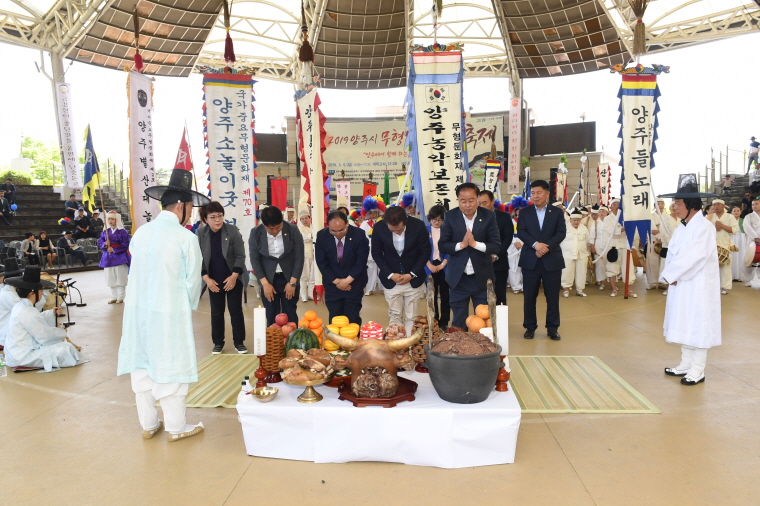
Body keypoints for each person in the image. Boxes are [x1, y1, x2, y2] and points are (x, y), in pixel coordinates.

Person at [118, 168, 209, 442]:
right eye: (191, 208)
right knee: (171, 362)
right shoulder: (186, 237)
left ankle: (148, 424)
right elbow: (193, 282)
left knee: (142, 362)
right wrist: (188, 305)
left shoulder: (141, 233)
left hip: (137, 312)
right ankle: (176, 427)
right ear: (181, 206)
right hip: (169, 311)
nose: (192, 213)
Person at [658, 174, 720, 386]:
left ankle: (697, 369)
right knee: (684, 321)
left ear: (692, 205)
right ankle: (685, 364)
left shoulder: (704, 227)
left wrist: (671, 275)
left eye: (678, 203)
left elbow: (695, 256)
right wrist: (671, 275)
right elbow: (674, 255)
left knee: (698, 324)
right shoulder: (682, 227)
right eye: (674, 203)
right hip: (682, 283)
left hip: (698, 285)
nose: (674, 207)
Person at [439, 183, 500, 330]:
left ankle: (482, 352)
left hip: (482, 278)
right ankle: (460, 351)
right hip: (458, 279)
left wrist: (474, 244)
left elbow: (496, 245)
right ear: (458, 200)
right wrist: (461, 245)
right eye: (463, 201)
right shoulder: (450, 216)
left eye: (471, 200)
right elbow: (443, 245)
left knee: (483, 321)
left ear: (478, 198)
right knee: (459, 321)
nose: (467, 205)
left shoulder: (488, 216)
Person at [3, 266, 81, 372]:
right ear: (32, 293)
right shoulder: (26, 310)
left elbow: (36, 319)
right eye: (40, 291)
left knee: (63, 347)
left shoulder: (22, 305)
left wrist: (51, 313)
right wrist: (61, 332)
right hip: (23, 355)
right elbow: (44, 337)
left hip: (17, 352)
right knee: (66, 349)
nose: (42, 294)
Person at [517, 180, 566, 340]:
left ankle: (552, 328)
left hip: (551, 260)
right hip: (530, 259)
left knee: (552, 296)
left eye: (538, 192)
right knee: (529, 296)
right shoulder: (524, 212)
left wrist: (546, 247)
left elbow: (561, 233)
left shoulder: (557, 212)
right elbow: (522, 232)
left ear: (546, 194)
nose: (535, 196)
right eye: (533, 193)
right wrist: (536, 245)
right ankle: (530, 327)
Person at [197, 201, 247, 355]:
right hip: (214, 280)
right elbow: (198, 259)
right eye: (213, 217)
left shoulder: (231, 231)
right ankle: (218, 343)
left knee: (235, 310)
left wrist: (234, 276)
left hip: (233, 278)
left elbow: (240, 255)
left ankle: (239, 342)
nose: (218, 220)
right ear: (205, 219)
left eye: (220, 216)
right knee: (216, 312)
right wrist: (206, 279)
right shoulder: (200, 234)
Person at [371, 206, 430, 335]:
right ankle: (397, 348)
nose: (397, 232)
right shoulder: (380, 227)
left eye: (400, 229)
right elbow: (376, 253)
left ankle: (408, 347)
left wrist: (412, 274)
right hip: (391, 280)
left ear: (406, 220)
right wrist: (390, 274)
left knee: (412, 317)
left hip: (413, 279)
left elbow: (425, 252)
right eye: (393, 230)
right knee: (395, 315)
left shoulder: (418, 226)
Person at [249, 206, 303, 326]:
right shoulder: (255, 233)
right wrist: (265, 284)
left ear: (282, 220)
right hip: (268, 279)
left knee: (290, 313)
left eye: (278, 227)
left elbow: (299, 257)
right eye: (270, 228)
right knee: (272, 314)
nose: (274, 231)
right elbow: (255, 259)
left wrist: (293, 282)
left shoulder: (292, 230)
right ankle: (274, 343)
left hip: (289, 277)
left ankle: (291, 343)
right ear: (263, 225)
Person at [314, 211, 369, 325]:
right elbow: (321, 262)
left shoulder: (359, 235)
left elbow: (361, 261)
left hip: (354, 283)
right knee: (335, 318)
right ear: (328, 226)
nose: (338, 234)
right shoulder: (322, 236)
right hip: (333, 285)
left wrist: (348, 280)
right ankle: (336, 342)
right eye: (333, 231)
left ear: (347, 223)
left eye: (341, 230)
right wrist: (337, 281)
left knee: (352, 317)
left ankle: (353, 342)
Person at [478, 190, 513, 305]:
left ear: (492, 201)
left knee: (499, 294)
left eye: (485, 203)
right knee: (481, 296)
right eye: (479, 204)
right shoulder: (473, 218)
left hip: (499, 263)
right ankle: (483, 322)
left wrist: (495, 255)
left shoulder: (504, 217)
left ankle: (500, 322)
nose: (482, 206)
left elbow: (507, 239)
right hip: (480, 263)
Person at [602, 198, 636, 297]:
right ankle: (614, 289)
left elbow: (633, 231)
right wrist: (623, 229)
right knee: (612, 268)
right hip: (613, 246)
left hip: (625, 245)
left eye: (619, 204)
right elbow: (611, 232)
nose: (617, 206)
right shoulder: (608, 219)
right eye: (615, 204)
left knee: (628, 268)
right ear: (611, 207)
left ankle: (629, 290)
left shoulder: (627, 218)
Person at [425, 205, 450, 329]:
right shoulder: (424, 230)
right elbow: (421, 250)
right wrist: (429, 265)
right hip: (429, 266)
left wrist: (443, 264)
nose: (437, 222)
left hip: (444, 266)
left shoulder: (447, 230)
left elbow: (450, 249)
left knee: (446, 295)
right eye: (434, 219)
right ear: (430, 219)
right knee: (431, 295)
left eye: (440, 220)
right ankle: (434, 321)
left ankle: (444, 322)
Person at [98, 211, 131, 304]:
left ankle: (120, 297)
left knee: (120, 277)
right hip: (108, 258)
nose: (110, 221)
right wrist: (105, 244)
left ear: (117, 220)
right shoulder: (105, 232)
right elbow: (100, 242)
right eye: (109, 219)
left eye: (112, 219)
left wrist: (113, 249)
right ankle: (113, 296)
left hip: (119, 257)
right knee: (110, 277)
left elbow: (126, 244)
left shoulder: (123, 232)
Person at [707, 199, 739, 294]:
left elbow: (734, 230)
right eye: (714, 205)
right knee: (712, 266)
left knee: (725, 267)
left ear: (724, 206)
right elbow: (704, 231)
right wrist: (714, 227)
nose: (716, 206)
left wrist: (722, 226)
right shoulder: (709, 217)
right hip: (712, 244)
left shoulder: (730, 217)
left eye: (718, 204)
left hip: (725, 244)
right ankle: (712, 286)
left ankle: (724, 287)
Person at [560, 208, 590, 297]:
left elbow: (587, 240)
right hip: (567, 254)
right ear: (570, 219)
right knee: (567, 271)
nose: (576, 222)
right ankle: (566, 289)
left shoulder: (584, 228)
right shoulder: (564, 227)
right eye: (574, 220)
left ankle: (580, 290)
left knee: (582, 272)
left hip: (582, 254)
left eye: (578, 220)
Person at [359, 205, 382, 296]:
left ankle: (384, 288)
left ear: (378, 213)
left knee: (382, 269)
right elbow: (361, 235)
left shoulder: (382, 222)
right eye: (371, 213)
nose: (373, 215)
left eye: (374, 213)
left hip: (381, 248)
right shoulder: (365, 223)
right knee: (370, 269)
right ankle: (369, 288)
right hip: (369, 248)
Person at [645, 198, 667, 290]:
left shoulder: (667, 216)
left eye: (662, 204)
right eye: (658, 204)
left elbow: (668, 230)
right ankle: (652, 283)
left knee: (663, 263)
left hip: (665, 241)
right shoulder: (650, 216)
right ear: (654, 206)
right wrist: (660, 232)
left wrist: (662, 237)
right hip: (653, 240)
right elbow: (653, 231)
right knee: (652, 262)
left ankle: (662, 282)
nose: (660, 206)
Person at [297, 204, 316, 302]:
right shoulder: (299, 229)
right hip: (304, 254)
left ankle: (311, 294)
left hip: (314, 254)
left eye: (306, 218)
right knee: (304, 276)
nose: (304, 220)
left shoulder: (314, 226)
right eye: (302, 219)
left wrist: (311, 236)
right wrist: (310, 236)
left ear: (309, 218)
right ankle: (303, 295)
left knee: (313, 276)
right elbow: (302, 238)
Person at [587, 204, 607, 289]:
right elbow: (591, 236)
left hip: (609, 245)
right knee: (600, 265)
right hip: (598, 245)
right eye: (600, 211)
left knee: (610, 264)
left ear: (607, 212)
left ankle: (612, 282)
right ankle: (602, 282)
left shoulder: (611, 222)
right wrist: (592, 247)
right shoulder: (595, 223)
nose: (601, 213)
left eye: (603, 211)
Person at [729, 206, 751, 283]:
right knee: (732, 256)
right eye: (734, 211)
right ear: (731, 212)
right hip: (732, 238)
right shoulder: (729, 221)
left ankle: (740, 275)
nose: (736, 212)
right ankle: (731, 275)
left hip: (741, 239)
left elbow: (747, 232)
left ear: (741, 212)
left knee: (741, 256)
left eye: (738, 211)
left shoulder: (743, 221)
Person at [742, 197, 760, 286]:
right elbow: (747, 227)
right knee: (750, 260)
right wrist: (756, 237)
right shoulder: (748, 216)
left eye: (756, 204)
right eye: (753, 204)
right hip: (752, 241)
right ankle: (748, 279)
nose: (754, 206)